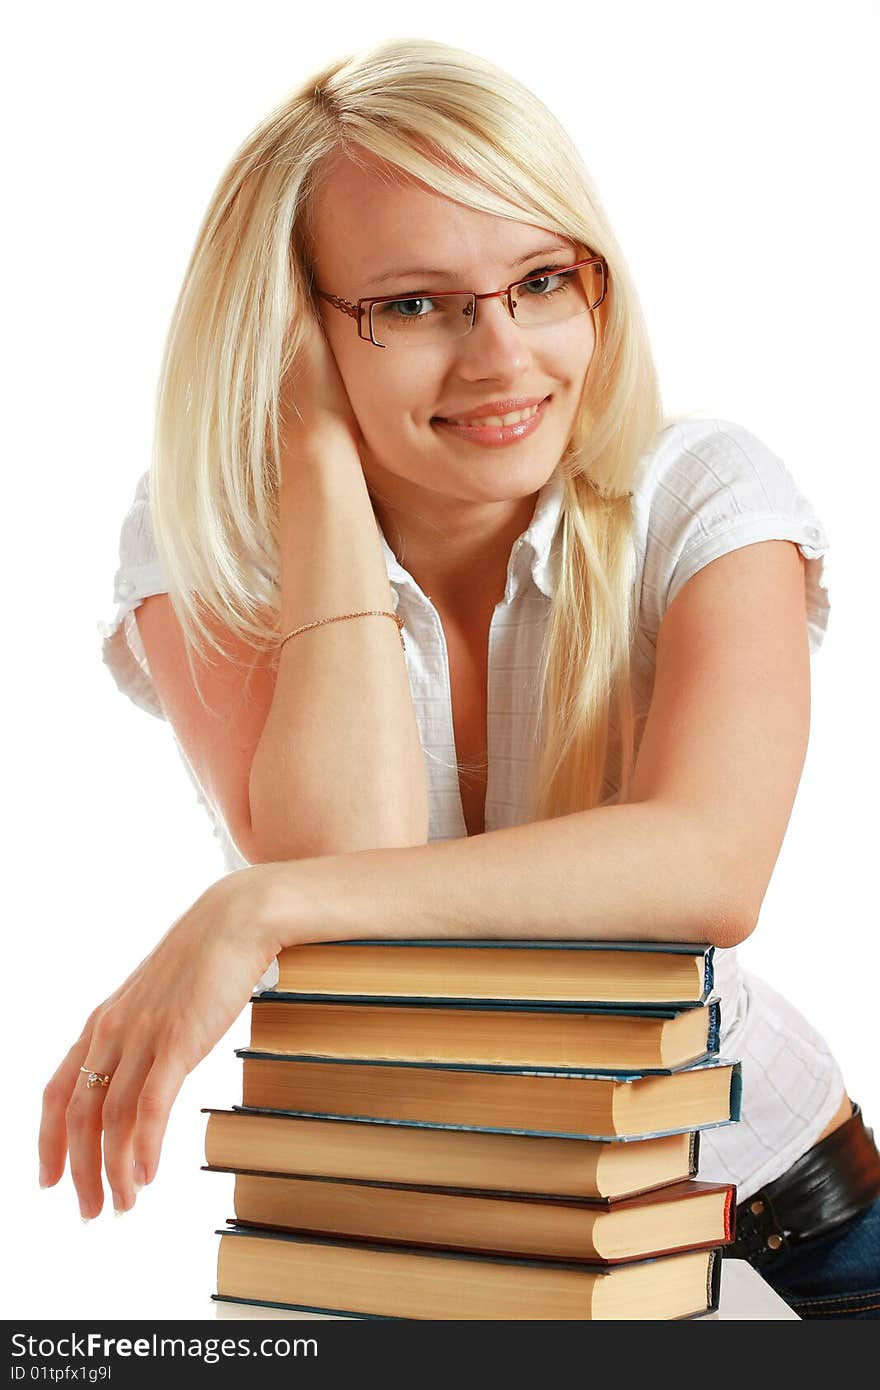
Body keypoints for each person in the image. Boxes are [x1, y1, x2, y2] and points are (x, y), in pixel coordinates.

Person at [39, 38, 879, 1318]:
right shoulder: (204, 536)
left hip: (770, 1221)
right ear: (293, 332)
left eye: (541, 280)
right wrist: (316, 464)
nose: (500, 358)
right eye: (414, 304)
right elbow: (351, 869)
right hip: (426, 1235)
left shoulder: (705, 495)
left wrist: (252, 909)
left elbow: (709, 865)